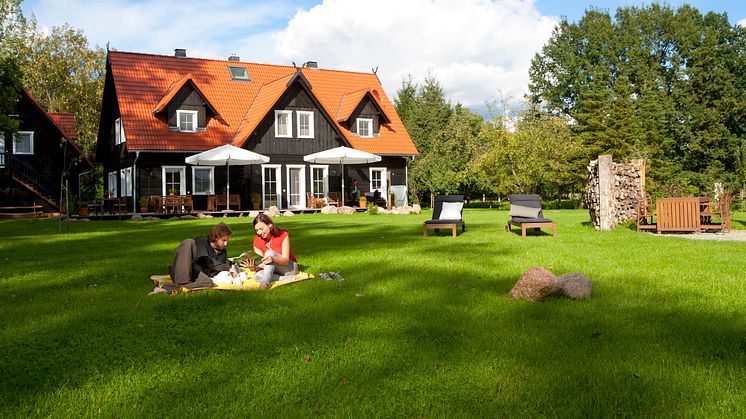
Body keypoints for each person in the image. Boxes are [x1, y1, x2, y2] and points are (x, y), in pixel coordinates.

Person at [158, 222, 239, 293]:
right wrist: (227, 268)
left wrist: (229, 274)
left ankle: (168, 289)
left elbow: (215, 272)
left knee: (208, 283)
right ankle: (182, 282)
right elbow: (204, 260)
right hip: (185, 270)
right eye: (224, 240)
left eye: (227, 240)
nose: (226, 244)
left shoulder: (223, 252)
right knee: (189, 242)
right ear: (216, 237)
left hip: (197, 276)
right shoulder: (202, 241)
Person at [243, 213, 298, 289]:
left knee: (269, 253)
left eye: (261, 229)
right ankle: (284, 279)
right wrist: (253, 268)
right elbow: (263, 264)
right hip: (272, 271)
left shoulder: (283, 235)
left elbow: (285, 260)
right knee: (257, 276)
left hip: (289, 268)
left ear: (270, 225)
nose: (259, 232)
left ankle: (264, 284)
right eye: (257, 230)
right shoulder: (257, 242)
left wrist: (273, 259)